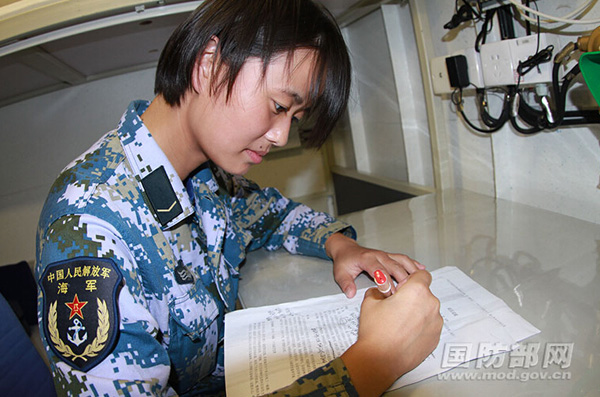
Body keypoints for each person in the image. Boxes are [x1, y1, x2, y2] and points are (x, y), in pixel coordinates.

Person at [35, 0, 443, 395]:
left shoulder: (205, 177)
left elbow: (272, 215)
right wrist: (375, 363)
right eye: (279, 105)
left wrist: (341, 244)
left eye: (294, 119)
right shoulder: (89, 224)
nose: (282, 136)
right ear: (210, 62)